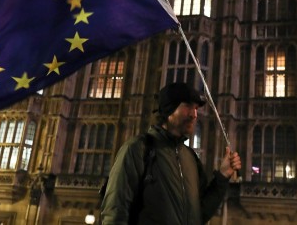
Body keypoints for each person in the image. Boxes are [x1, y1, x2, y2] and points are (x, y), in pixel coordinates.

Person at [101, 82, 242, 224]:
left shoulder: (191, 158)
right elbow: (115, 211)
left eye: (196, 108)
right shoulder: (138, 149)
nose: (194, 115)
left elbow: (200, 214)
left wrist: (223, 176)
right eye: (188, 106)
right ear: (169, 110)